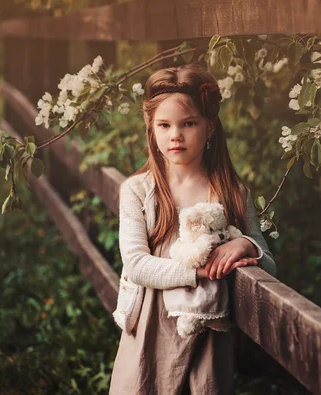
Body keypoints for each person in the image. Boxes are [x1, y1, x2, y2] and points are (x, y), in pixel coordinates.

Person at [109, 63, 276, 394]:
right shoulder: (138, 192)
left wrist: (245, 245)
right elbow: (137, 265)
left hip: (208, 338)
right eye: (165, 125)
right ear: (151, 127)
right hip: (150, 329)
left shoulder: (232, 193)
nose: (175, 135)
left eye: (188, 123)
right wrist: (202, 271)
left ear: (209, 126)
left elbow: (269, 266)